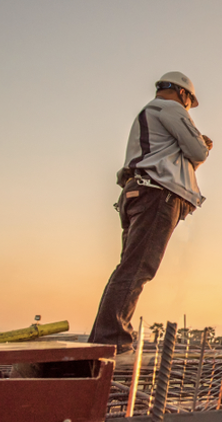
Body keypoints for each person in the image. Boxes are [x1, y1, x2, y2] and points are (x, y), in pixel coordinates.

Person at [88, 72, 212, 358]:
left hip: (138, 192)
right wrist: (203, 146)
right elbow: (197, 151)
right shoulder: (171, 109)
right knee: (137, 268)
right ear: (183, 95)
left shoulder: (148, 115)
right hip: (156, 196)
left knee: (129, 267)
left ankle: (103, 338)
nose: (189, 109)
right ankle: (113, 339)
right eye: (190, 103)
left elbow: (179, 161)